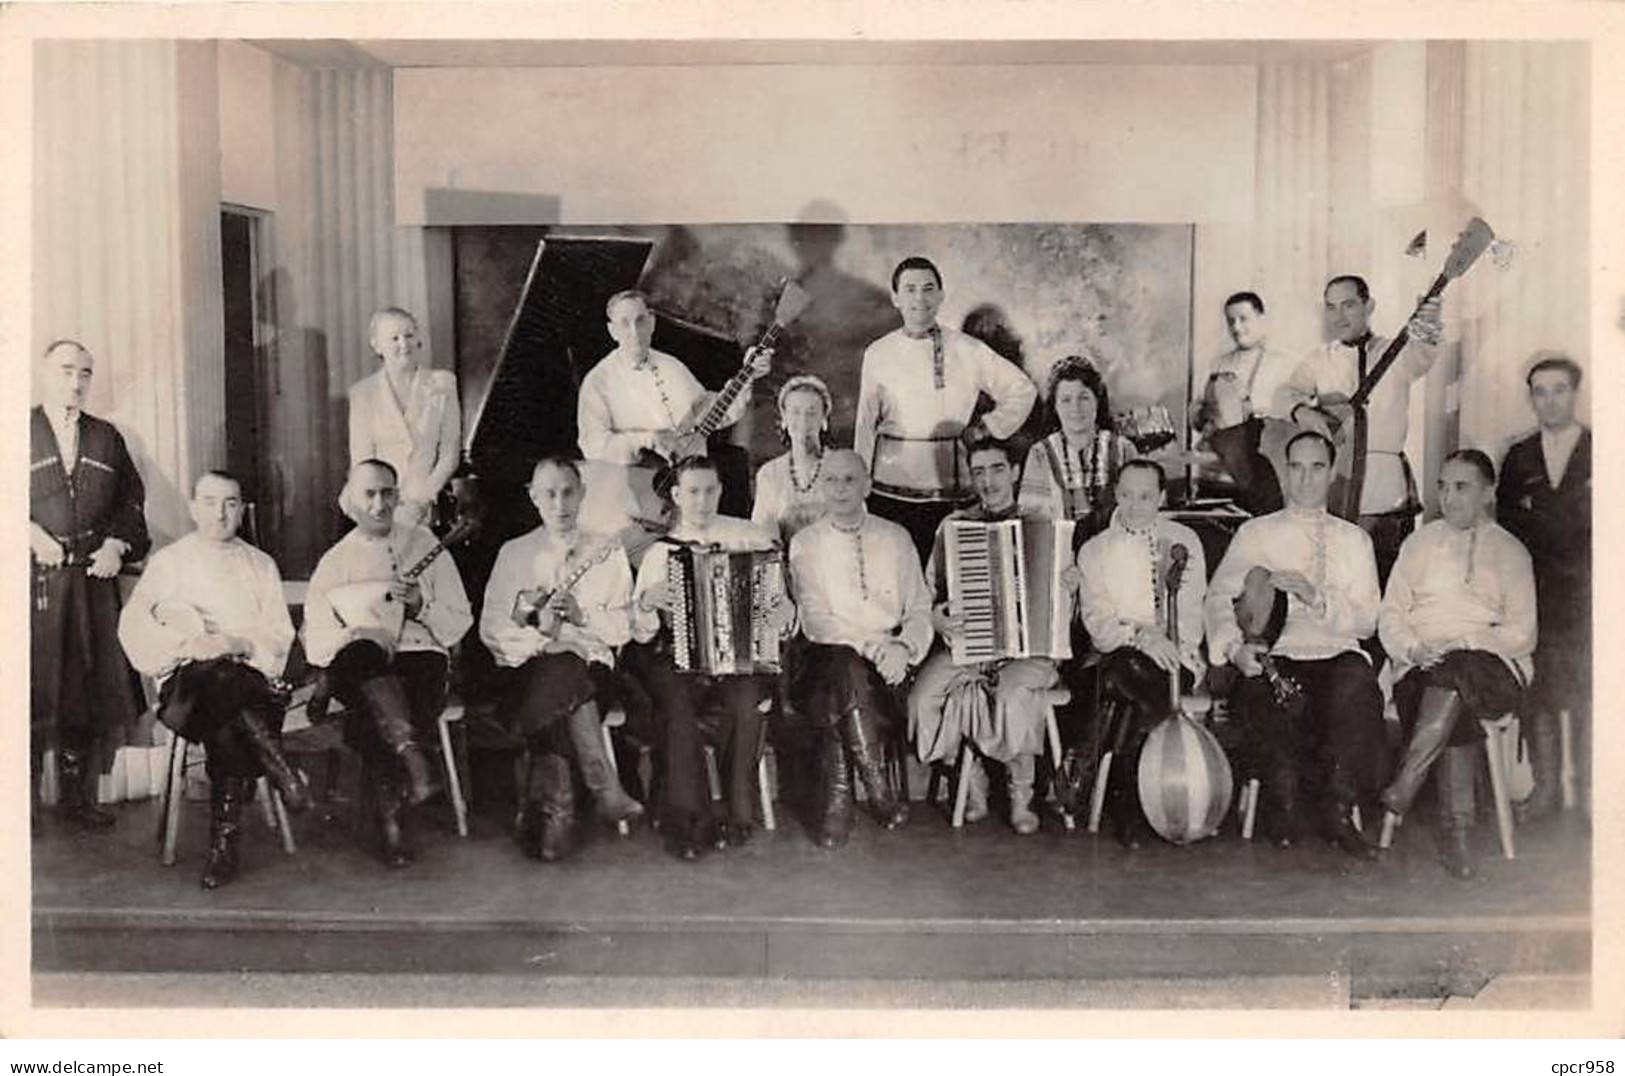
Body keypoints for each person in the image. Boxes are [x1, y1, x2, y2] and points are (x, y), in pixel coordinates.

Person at [117, 471, 309, 889]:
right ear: (193, 507)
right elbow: (133, 624)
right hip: (185, 690)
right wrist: (187, 645)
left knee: (227, 708)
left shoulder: (260, 565)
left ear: (242, 509)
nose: (219, 512)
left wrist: (235, 641)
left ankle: (224, 849)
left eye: (230, 503)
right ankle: (280, 768)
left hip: (243, 686)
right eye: (209, 501)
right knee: (219, 680)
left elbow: (279, 634)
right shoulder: (169, 563)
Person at [1204, 431, 1384, 858]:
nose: (1305, 479)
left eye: (1317, 467)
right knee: (1263, 693)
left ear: (1332, 473)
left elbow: (1367, 619)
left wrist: (1315, 596)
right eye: (1297, 467)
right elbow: (1216, 599)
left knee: (1357, 684)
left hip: (1337, 652)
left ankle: (1339, 809)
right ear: (1286, 472)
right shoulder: (1256, 533)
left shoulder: (1353, 540)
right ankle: (1281, 804)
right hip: (1277, 654)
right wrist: (1234, 648)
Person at [304, 459, 473, 867]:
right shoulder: (335, 562)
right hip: (358, 661)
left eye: (387, 492)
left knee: (374, 711)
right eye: (369, 493)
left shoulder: (427, 547)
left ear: (398, 496)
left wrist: (420, 605)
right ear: (350, 500)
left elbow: (458, 623)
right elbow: (316, 642)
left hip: (419, 658)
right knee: (364, 664)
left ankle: (390, 827)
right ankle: (414, 760)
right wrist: (360, 634)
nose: (379, 504)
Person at [627, 456, 796, 861]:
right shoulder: (659, 554)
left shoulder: (751, 538)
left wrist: (784, 616)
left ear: (721, 491)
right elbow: (640, 632)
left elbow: (783, 611)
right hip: (677, 657)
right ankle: (689, 822)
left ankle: (738, 813)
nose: (702, 501)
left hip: (740, 657)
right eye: (693, 492)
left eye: (710, 491)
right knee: (678, 707)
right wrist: (648, 603)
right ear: (677, 496)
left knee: (744, 703)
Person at [1377, 451, 1536, 878]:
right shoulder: (1419, 544)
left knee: (1457, 670)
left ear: (1489, 492)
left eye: (1461, 487)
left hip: (1494, 668)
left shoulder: (1510, 551)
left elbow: (1523, 632)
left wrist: (1466, 641)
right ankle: (1457, 835)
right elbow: (1390, 614)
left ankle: (1407, 780)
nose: (1448, 498)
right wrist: (1412, 649)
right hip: (1423, 667)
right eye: (1443, 486)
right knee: (1449, 688)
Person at [480, 457, 646, 862]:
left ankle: (553, 820)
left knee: (569, 666)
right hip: (528, 670)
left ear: (583, 493)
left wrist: (582, 617)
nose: (560, 503)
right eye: (549, 494)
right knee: (559, 669)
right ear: (533, 497)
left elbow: (624, 629)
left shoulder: (606, 551)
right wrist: (543, 641)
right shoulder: (514, 553)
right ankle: (601, 784)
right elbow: (492, 630)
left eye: (568, 492)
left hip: (593, 675)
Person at [907, 438, 1065, 836]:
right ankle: (972, 783)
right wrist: (936, 618)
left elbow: (1064, 605)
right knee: (922, 699)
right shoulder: (955, 526)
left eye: (997, 469)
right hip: (969, 645)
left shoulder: (1042, 523)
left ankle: (1020, 797)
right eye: (979, 472)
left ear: (1014, 471)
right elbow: (928, 592)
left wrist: (1070, 585)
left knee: (1013, 695)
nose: (988, 480)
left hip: (1029, 650)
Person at [30, 340, 151, 835]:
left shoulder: (106, 437)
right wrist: (29, 534)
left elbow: (131, 503)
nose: (75, 382)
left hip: (90, 585)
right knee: (29, 687)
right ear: (44, 374)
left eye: (85, 373)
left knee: (85, 685)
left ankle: (79, 797)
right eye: (66, 371)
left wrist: (117, 546)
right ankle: (24, 804)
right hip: (32, 587)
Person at [787, 450, 930, 847]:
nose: (840, 489)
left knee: (837, 699)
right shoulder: (806, 543)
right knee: (842, 666)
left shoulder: (896, 537)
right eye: (831, 480)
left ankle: (838, 808)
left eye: (849, 480)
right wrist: (872, 646)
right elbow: (816, 620)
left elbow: (920, 608)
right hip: (826, 657)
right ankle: (877, 787)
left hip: (891, 667)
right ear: (820, 486)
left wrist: (904, 648)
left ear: (867, 484)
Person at [854, 257, 1037, 559]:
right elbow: (865, 423)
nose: (919, 298)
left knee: (952, 579)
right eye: (910, 289)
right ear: (895, 298)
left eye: (928, 289)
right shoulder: (878, 352)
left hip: (950, 491)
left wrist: (987, 427)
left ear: (941, 295)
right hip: (888, 492)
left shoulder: (968, 349)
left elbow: (1022, 389)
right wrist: (861, 486)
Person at [1075, 460, 1207, 848]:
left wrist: (1168, 643)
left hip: (1174, 657)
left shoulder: (1185, 541)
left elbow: (1193, 613)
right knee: (1122, 666)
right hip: (1115, 657)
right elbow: (1099, 627)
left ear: (1162, 497)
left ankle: (1111, 785)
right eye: (1127, 494)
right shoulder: (1095, 551)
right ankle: (1136, 802)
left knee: (1125, 683)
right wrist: (1142, 636)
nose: (1135, 505)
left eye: (1146, 496)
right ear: (1115, 494)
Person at [1282, 276, 1443, 585]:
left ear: (1369, 306)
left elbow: (1424, 353)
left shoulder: (1395, 351)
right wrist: (1303, 411)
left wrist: (1431, 320)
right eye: (1331, 308)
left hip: (1385, 487)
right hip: (1340, 485)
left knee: (1386, 575)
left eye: (1349, 305)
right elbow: (1286, 394)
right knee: (1340, 578)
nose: (1339, 316)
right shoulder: (1320, 359)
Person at [1496, 353, 1591, 819]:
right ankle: (1547, 790)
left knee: (1590, 690)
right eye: (1540, 392)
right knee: (1541, 693)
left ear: (1575, 393)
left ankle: (1593, 795)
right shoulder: (1518, 457)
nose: (1549, 401)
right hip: (1536, 594)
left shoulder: (1603, 449)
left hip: (1590, 596)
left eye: (1559, 390)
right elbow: (1511, 528)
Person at [577, 290, 771, 466]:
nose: (634, 332)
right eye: (624, 323)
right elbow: (593, 447)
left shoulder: (672, 366)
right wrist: (648, 439)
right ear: (612, 331)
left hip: (689, 484)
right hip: (635, 490)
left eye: (641, 320)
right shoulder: (598, 381)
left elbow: (711, 413)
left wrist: (748, 375)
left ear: (652, 322)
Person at [348, 307, 462, 529]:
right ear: (377, 345)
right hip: (378, 504)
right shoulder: (362, 393)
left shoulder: (443, 384)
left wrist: (423, 499)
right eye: (394, 338)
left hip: (427, 505)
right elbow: (362, 461)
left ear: (419, 338)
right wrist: (384, 504)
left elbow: (450, 453)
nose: (404, 344)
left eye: (409, 335)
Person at [1192, 292, 1299, 515]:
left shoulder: (1286, 364)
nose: (1236, 328)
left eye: (1243, 319)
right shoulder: (1218, 364)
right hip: (1225, 467)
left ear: (1261, 318)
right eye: (1230, 321)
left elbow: (1297, 416)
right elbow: (1196, 414)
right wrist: (1205, 414)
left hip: (1268, 465)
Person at [1017, 356, 1138, 535]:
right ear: (1055, 407)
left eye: (1084, 398)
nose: (1076, 408)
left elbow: (1141, 511)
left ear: (1098, 401)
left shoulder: (1123, 449)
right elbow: (1034, 523)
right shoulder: (1040, 454)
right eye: (1066, 400)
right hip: (1061, 554)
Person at [751, 374, 833, 545]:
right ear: (784, 420)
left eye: (811, 413)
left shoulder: (843, 468)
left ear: (824, 419)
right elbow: (762, 537)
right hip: (783, 566)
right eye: (795, 412)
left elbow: (856, 532)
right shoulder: (769, 474)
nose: (803, 420)